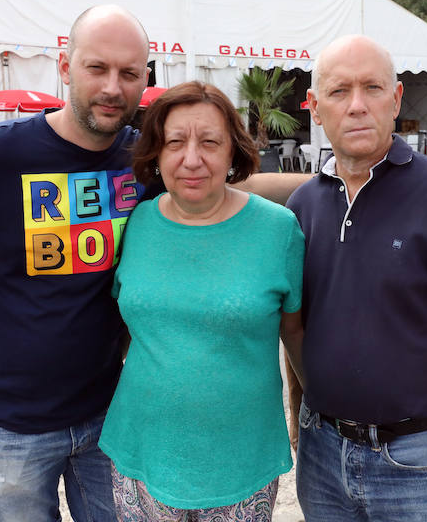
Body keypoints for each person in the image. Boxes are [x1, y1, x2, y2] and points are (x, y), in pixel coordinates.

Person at [0, 5, 306, 522]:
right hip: (8, 423)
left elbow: (220, 185)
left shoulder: (143, 162)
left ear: (144, 79)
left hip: (109, 415)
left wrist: (331, 184)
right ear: (65, 67)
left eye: (128, 73)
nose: (112, 86)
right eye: (96, 68)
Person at [285, 35, 427, 522]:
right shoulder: (302, 208)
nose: (356, 106)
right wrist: (304, 415)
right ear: (314, 107)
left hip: (423, 464)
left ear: (395, 101)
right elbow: (297, 327)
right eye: (338, 92)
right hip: (323, 457)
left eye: (372, 88)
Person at [98, 81, 305, 521]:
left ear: (234, 152)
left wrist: (307, 417)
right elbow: (126, 328)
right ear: (156, 152)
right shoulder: (135, 224)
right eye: (175, 143)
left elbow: (296, 335)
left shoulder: (278, 230)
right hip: (141, 453)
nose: (192, 159)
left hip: (242, 462)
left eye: (210, 142)